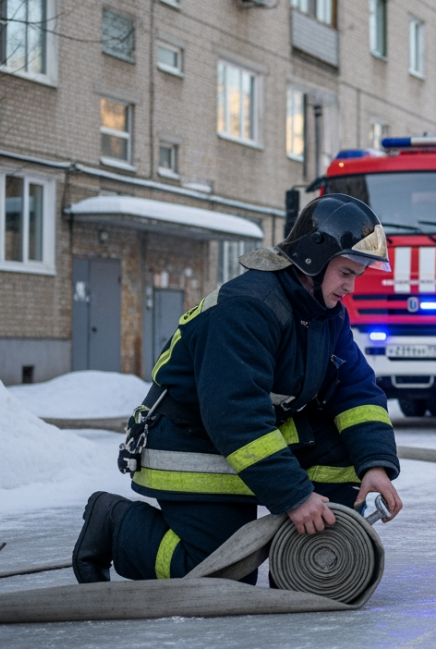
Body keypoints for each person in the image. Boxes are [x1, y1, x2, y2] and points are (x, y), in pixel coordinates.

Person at [72, 194, 404, 584]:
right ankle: (115, 525)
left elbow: (356, 390)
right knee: (223, 575)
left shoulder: (324, 314)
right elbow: (236, 415)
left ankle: (302, 557)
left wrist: (375, 465)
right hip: (189, 441)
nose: (350, 286)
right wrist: (294, 495)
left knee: (349, 445)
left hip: (241, 434)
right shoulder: (248, 308)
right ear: (314, 260)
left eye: (357, 276)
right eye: (346, 272)